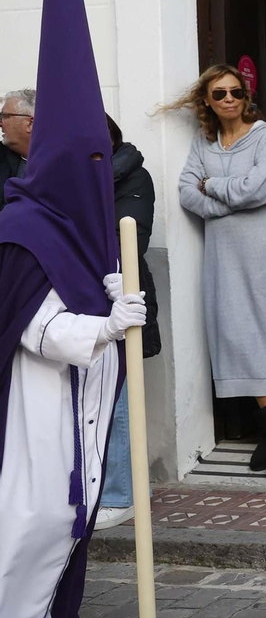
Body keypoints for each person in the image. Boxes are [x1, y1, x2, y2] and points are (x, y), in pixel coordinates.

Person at [0, 0, 140, 618]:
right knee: (34, 517)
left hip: (76, 404)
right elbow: (41, 332)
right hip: (31, 404)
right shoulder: (19, 227)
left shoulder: (80, 228)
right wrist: (110, 321)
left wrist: (117, 294)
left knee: (71, 514)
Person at [169, 64, 266, 477]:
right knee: (232, 334)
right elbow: (187, 192)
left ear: (247, 97)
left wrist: (214, 187)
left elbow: (262, 188)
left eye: (235, 93)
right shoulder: (204, 142)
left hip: (262, 254)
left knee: (262, 334)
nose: (229, 100)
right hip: (222, 257)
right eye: (219, 94)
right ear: (207, 101)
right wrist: (223, 200)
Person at [97, 115, 163, 531]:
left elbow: (130, 240)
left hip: (116, 294)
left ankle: (121, 495)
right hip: (77, 300)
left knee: (117, 397)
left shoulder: (132, 174)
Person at [0, 87, 32, 201]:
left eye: (5, 117)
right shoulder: (3, 155)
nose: (0, 123)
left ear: (30, 123)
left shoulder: (61, 163)